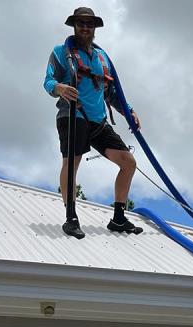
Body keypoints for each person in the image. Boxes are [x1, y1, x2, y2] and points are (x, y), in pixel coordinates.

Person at [44, 7, 143, 239]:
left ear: (95, 27)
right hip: (73, 116)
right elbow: (48, 81)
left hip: (98, 121)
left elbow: (111, 92)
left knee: (128, 163)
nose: (85, 27)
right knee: (72, 162)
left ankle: (118, 218)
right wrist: (58, 88)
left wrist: (129, 111)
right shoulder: (61, 53)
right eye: (81, 23)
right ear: (74, 26)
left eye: (89, 24)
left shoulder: (102, 57)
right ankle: (71, 217)